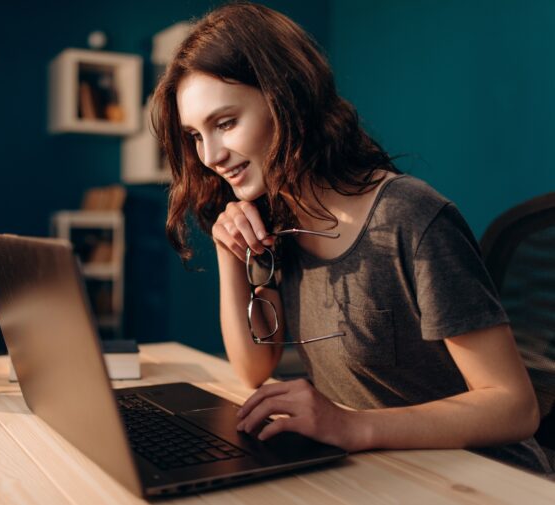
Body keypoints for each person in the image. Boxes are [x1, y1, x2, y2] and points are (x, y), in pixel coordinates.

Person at [150, 1, 552, 474]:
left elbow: (513, 406)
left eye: (225, 123)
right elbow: (255, 369)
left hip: (485, 479)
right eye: (195, 135)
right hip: (386, 474)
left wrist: (352, 426)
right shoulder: (279, 220)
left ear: (287, 99)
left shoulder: (410, 216)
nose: (211, 155)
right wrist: (228, 252)